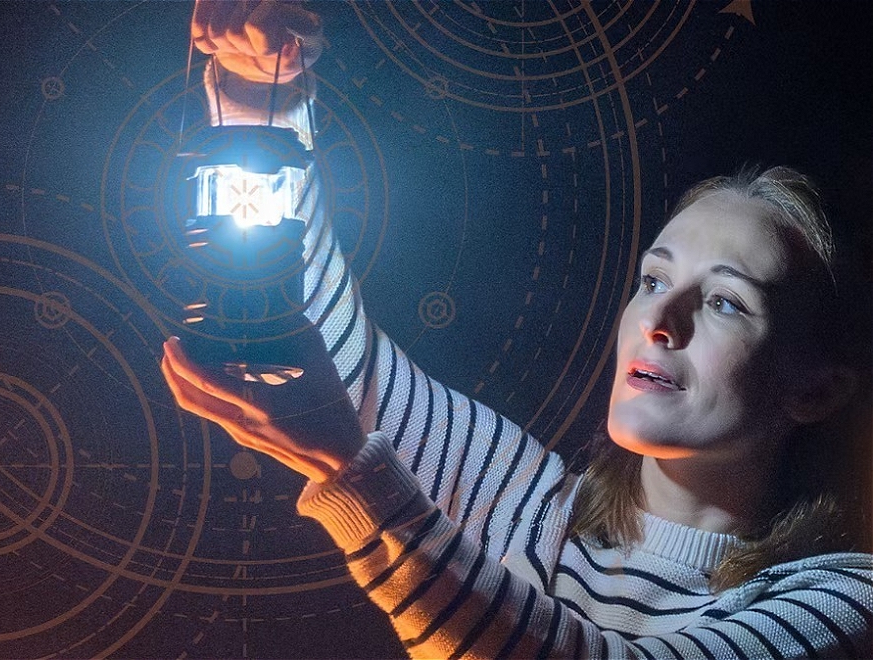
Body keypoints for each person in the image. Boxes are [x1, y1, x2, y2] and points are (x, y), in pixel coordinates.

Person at [163, 2, 873, 657]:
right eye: (653, 281)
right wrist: (261, 94)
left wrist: (358, 481)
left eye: (724, 301)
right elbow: (340, 367)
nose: (659, 321)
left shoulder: (840, 603)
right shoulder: (527, 506)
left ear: (816, 389)